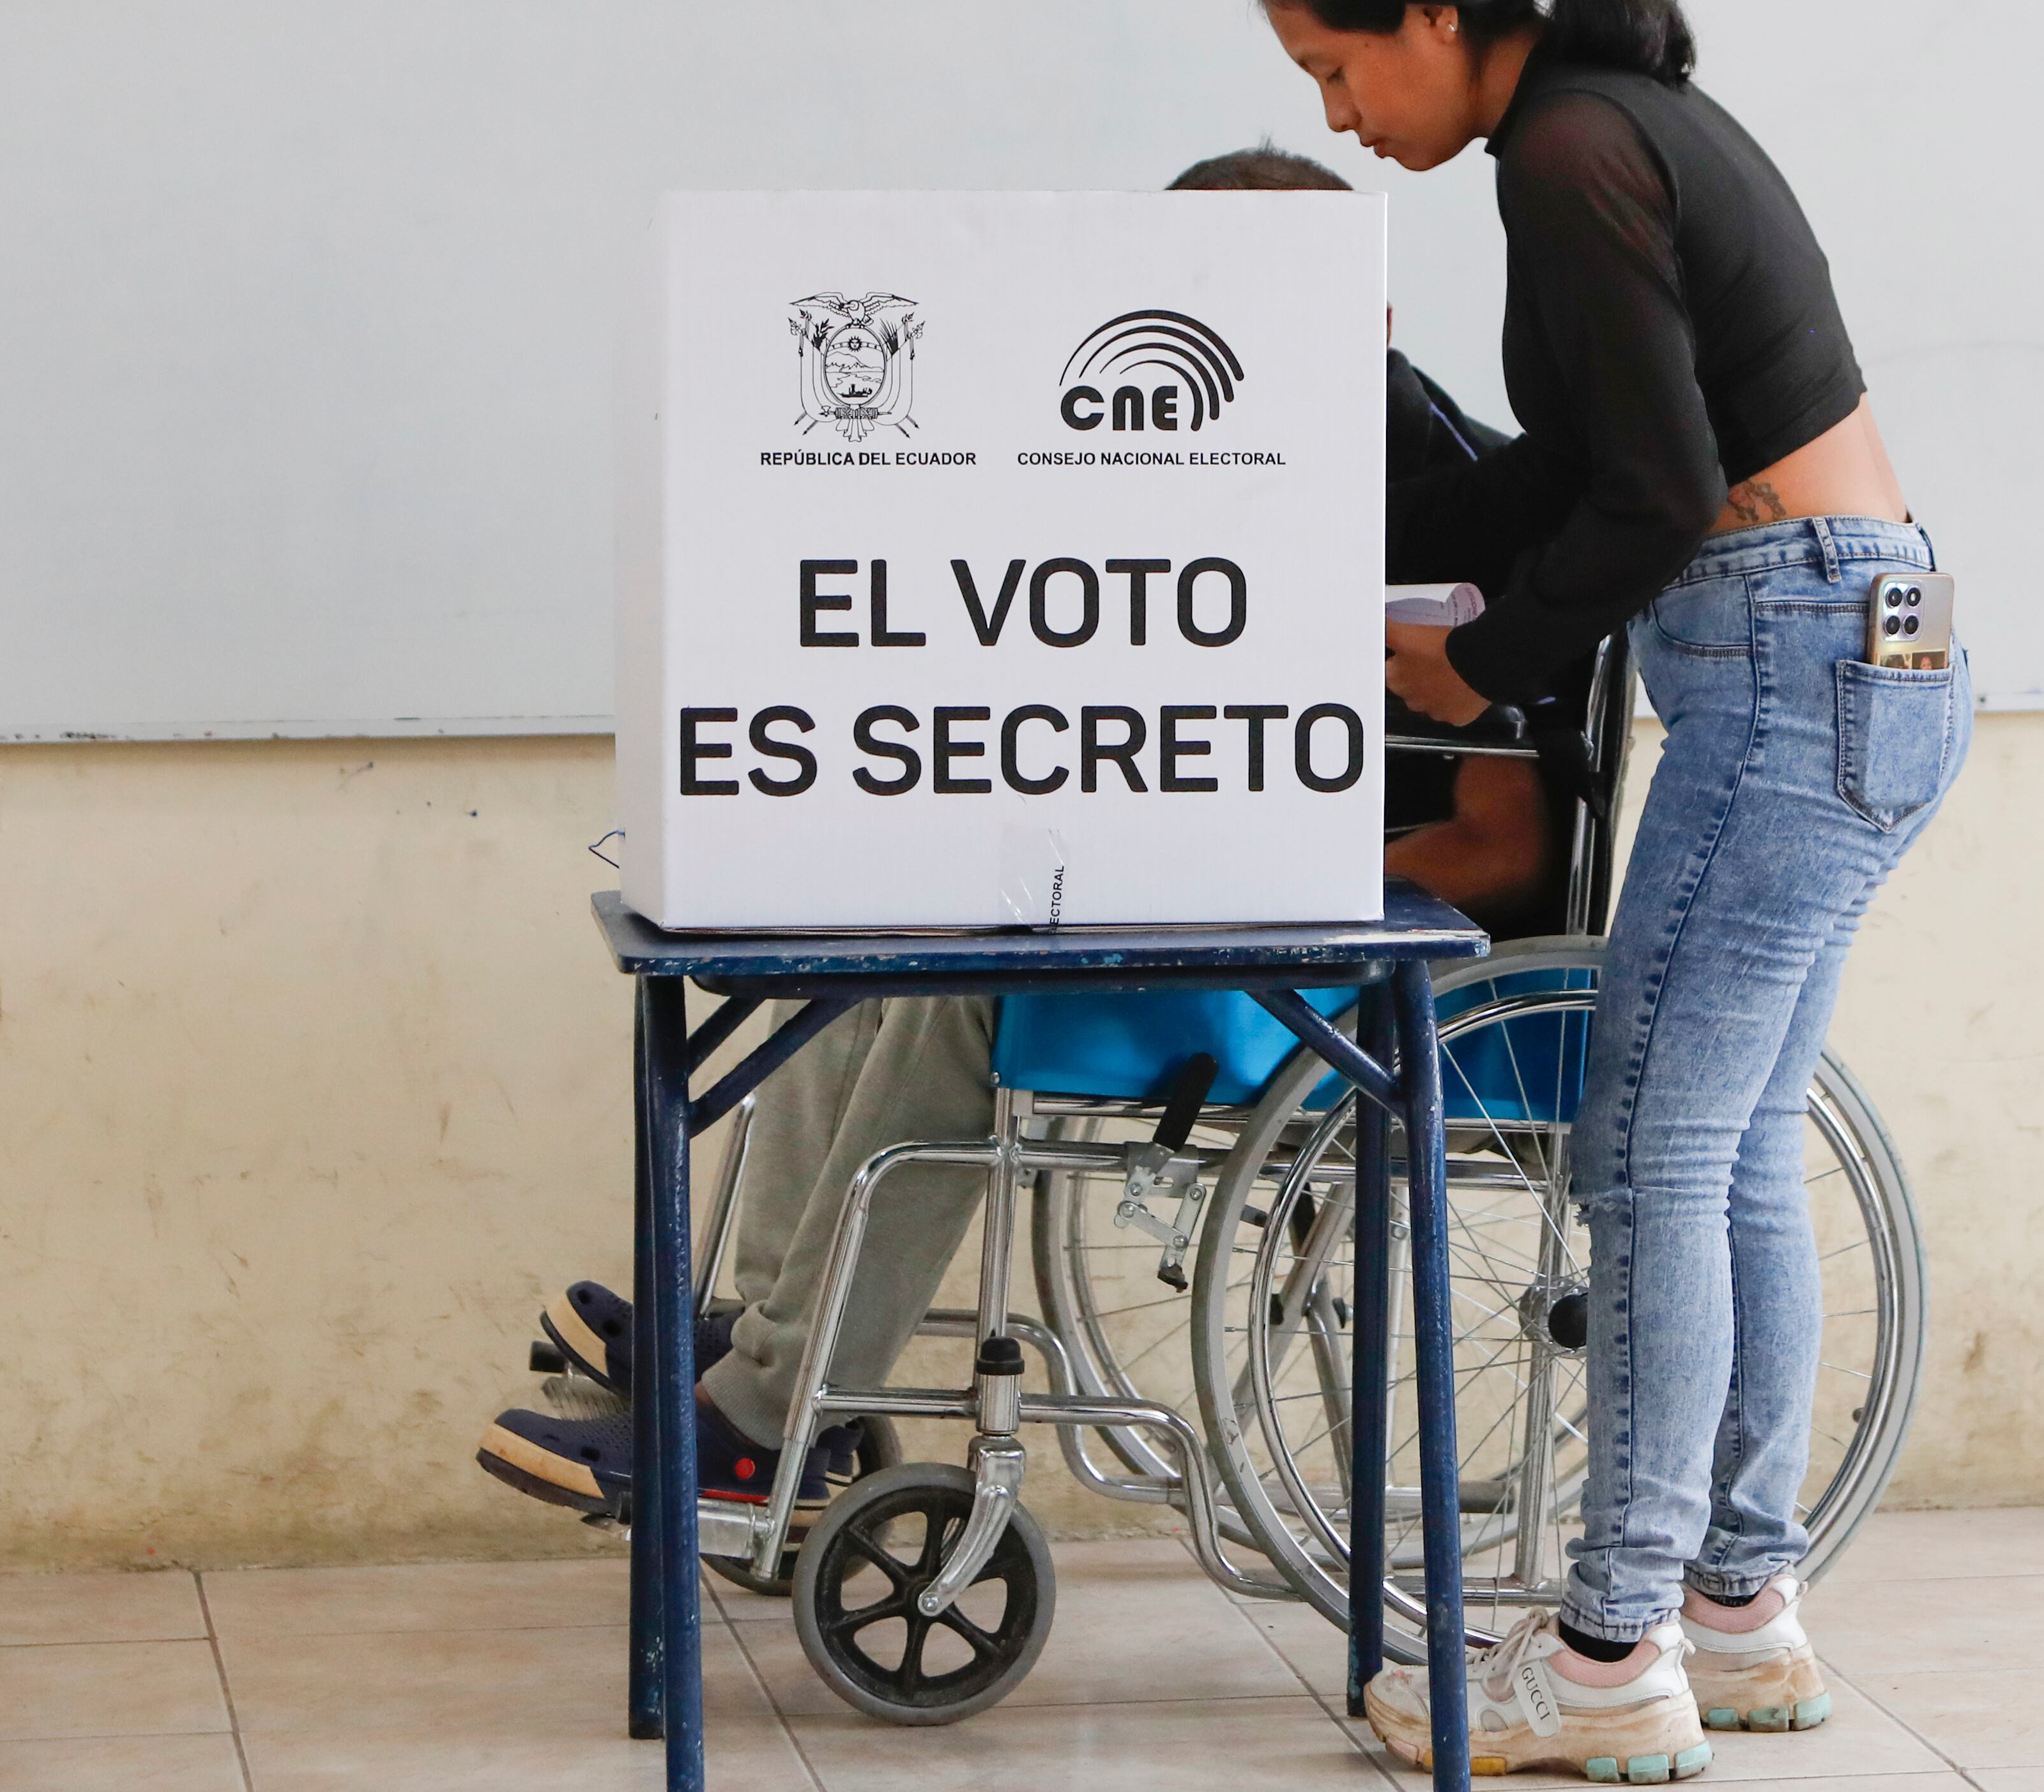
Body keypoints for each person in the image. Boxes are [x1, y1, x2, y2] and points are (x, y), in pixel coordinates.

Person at [474, 142, 1562, 1523]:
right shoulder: (1188, 461)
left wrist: (1242, 866)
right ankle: (760, 1343)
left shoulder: (1462, 505)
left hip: (1364, 967)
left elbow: (1504, 850)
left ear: (1366, 316)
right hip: (1205, 902)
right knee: (862, 928)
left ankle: (766, 1419)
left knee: (957, 1000)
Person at [1248, 0, 1972, 1777]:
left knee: (1645, 1153)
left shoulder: (1565, 153)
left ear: (1429, 16)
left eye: (1334, 66)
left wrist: (1474, 662)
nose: (1335, 115)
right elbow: (1578, 473)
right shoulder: (1608, 125)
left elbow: (1646, 501)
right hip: (1863, 645)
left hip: (1783, 656)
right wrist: (1358, 498)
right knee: (1721, 1154)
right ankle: (1735, 1609)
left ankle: (1604, 1653)